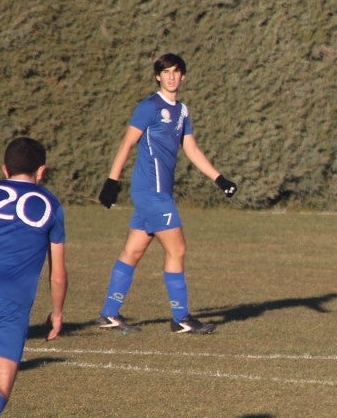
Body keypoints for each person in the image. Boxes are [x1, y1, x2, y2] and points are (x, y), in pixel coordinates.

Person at [95, 53, 237, 335]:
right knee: (177, 249)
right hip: (152, 192)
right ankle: (181, 318)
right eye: (166, 72)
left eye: (176, 71)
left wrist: (219, 179)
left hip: (156, 192)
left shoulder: (182, 111)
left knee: (133, 250)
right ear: (157, 77)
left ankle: (109, 313)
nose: (171, 76)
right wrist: (111, 182)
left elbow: (191, 149)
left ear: (183, 76)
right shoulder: (149, 107)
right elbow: (127, 143)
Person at [0, 137, 67, 418]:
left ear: (4, 169)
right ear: (41, 171)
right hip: (9, 304)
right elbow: (58, 275)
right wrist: (57, 313)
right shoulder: (50, 205)